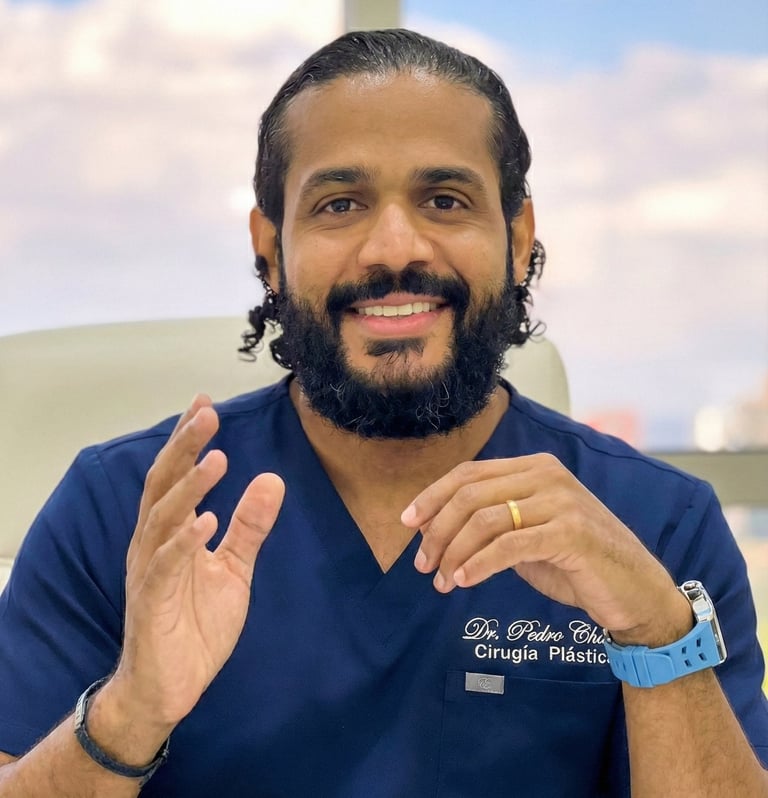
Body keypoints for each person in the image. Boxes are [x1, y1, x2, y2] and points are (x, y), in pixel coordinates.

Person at [0, 27, 766, 798]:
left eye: (445, 201)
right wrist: (130, 713)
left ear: (517, 236)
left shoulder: (656, 528)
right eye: (339, 204)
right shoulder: (130, 512)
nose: (395, 248)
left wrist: (655, 635)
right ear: (270, 248)